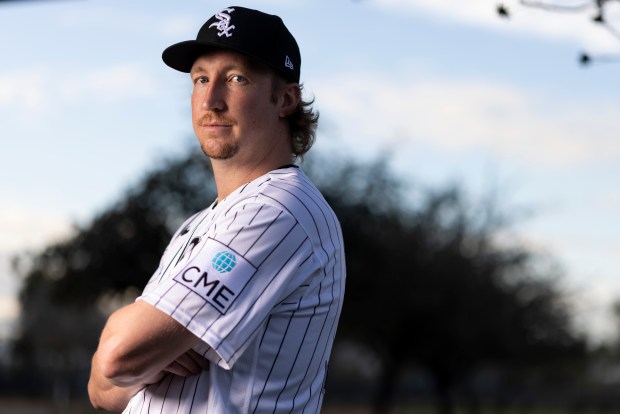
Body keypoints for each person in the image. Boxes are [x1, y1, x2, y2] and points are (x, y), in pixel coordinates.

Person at [87, 5, 346, 414]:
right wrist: (137, 358)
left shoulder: (278, 209)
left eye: (236, 78)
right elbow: (102, 390)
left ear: (285, 99)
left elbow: (119, 356)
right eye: (201, 79)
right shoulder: (199, 223)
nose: (211, 99)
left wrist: (134, 352)